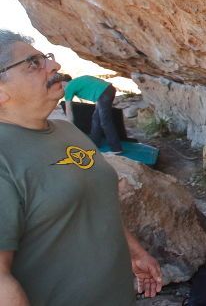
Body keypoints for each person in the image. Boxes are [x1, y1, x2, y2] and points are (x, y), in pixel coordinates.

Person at [0, 30, 162, 305]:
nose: (55, 66)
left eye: (46, 58)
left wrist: (134, 251)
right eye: (33, 63)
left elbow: (95, 201)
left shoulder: (67, 131)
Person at [63, 74, 122, 153]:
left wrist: (70, 126)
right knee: (96, 119)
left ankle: (116, 149)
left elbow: (68, 109)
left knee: (105, 121)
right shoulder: (77, 80)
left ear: (63, 83)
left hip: (103, 94)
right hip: (109, 89)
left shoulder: (69, 87)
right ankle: (94, 143)